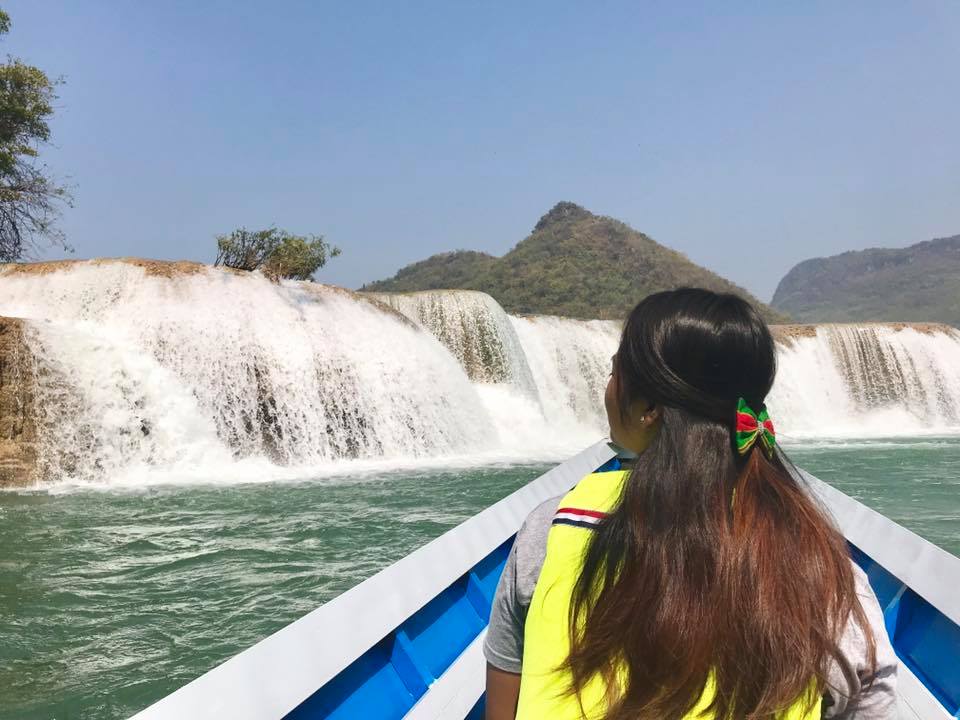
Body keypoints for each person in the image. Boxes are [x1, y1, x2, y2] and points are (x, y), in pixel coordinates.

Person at [484, 288, 897, 719]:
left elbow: (505, 687)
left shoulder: (551, 529)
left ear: (647, 407)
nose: (607, 389)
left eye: (613, 372)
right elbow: (872, 692)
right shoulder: (812, 558)